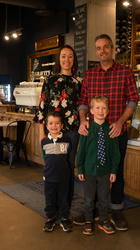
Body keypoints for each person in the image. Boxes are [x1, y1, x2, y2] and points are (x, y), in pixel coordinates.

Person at [76, 34, 139, 231]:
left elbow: (132, 100)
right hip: (93, 132)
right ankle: (94, 209)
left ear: (112, 49)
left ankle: (117, 210)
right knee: (92, 170)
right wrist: (83, 120)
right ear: (96, 51)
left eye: (105, 47)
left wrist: (121, 122)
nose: (102, 51)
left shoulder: (125, 72)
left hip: (115, 132)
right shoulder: (90, 74)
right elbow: (83, 102)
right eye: (98, 48)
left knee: (116, 171)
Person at [34, 44, 82, 208]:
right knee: (52, 167)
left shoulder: (79, 82)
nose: (67, 59)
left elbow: (83, 107)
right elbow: (42, 107)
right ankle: (51, 206)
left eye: (70, 56)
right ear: (58, 59)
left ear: (74, 59)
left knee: (67, 169)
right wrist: (42, 132)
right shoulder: (49, 80)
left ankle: (65, 206)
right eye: (63, 56)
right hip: (51, 133)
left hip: (73, 133)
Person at [77, 96, 120, 236]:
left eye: (103, 108)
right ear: (91, 111)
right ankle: (88, 221)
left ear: (108, 111)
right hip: (89, 171)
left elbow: (116, 153)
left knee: (103, 198)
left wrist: (113, 170)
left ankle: (103, 220)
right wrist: (80, 168)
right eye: (97, 108)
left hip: (105, 172)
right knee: (89, 199)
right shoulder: (86, 129)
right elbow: (81, 150)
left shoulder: (111, 130)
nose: (100, 111)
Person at [41, 111, 73, 233]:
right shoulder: (44, 141)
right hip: (49, 177)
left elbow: (68, 156)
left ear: (62, 125)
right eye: (51, 123)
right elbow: (45, 158)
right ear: (47, 125)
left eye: (57, 123)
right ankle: (50, 218)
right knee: (49, 199)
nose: (54, 126)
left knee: (63, 199)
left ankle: (64, 218)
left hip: (64, 177)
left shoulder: (67, 140)